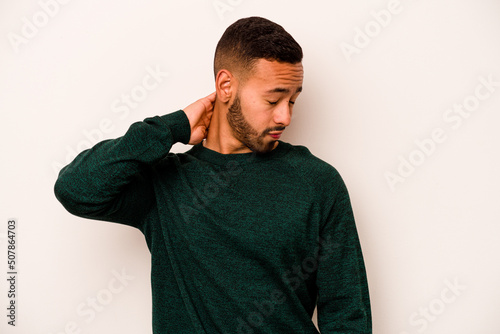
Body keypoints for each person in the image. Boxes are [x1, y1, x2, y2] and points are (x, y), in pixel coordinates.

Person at [54, 16, 371, 333]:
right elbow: (75, 189)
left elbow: (347, 316)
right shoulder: (167, 183)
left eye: (292, 100)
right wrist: (172, 127)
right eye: (273, 100)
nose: (285, 116)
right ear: (226, 86)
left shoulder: (317, 183)